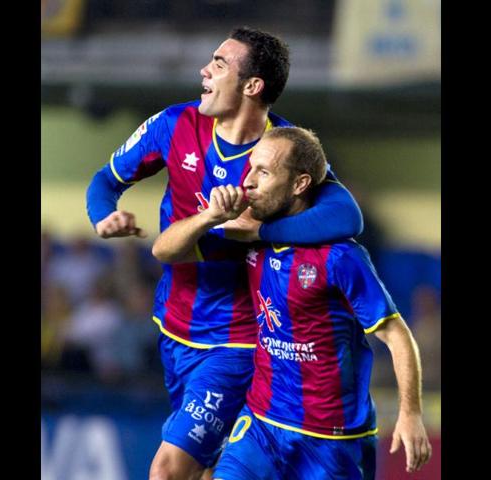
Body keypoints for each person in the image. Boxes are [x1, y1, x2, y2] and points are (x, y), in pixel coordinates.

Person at [86, 27, 364, 480]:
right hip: (173, 325)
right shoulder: (174, 124)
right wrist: (103, 216)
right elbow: (105, 180)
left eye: (219, 63)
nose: (204, 70)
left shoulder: (283, 151)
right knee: (205, 470)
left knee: (169, 470)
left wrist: (260, 230)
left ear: (252, 85)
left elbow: (346, 215)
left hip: (237, 340)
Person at [152, 127, 432, 479]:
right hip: (262, 425)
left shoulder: (340, 257)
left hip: (332, 440)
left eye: (264, 172)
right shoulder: (245, 237)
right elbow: (165, 250)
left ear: (300, 184)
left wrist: (410, 413)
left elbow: (396, 335)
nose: (248, 182)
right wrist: (209, 217)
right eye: (251, 168)